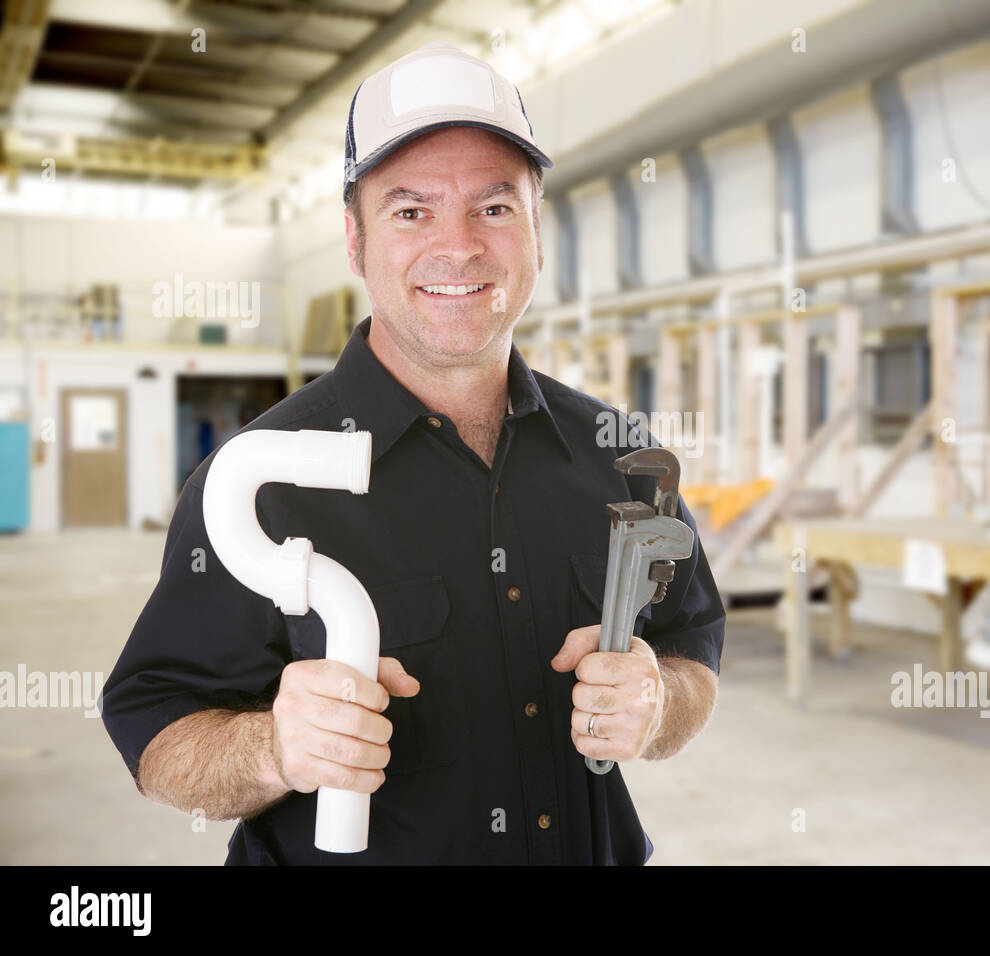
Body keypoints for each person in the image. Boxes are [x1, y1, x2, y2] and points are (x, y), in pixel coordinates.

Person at [101, 43, 725, 865]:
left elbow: (693, 656)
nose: (458, 246)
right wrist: (274, 749)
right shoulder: (261, 483)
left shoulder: (621, 456)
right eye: (410, 210)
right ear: (356, 241)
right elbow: (158, 735)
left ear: (537, 232)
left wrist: (657, 701)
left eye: (494, 208)